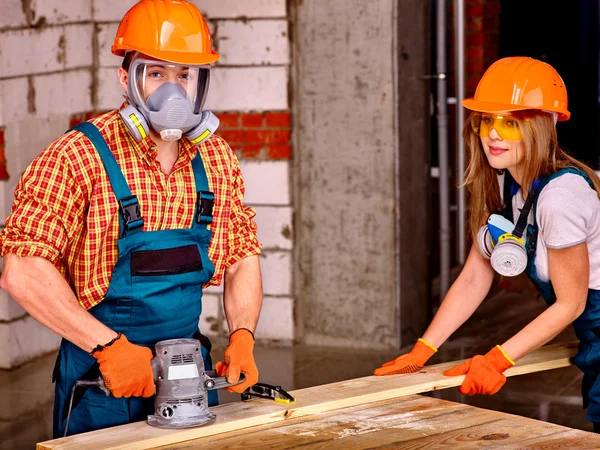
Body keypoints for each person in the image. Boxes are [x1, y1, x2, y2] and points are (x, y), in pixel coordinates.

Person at [0, 0, 262, 437]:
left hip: (188, 377)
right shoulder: (75, 157)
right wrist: (107, 347)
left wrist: (243, 336)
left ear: (202, 83)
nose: (172, 91)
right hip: (104, 380)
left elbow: (241, 256)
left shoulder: (215, 158)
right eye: (156, 73)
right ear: (127, 77)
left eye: (185, 75)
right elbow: (22, 271)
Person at [374, 56, 600, 431]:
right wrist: (423, 349)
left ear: (541, 126)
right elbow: (474, 277)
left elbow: (571, 303)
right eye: (486, 121)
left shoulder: (561, 197)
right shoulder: (506, 181)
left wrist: (498, 360)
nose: (493, 134)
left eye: (510, 123)